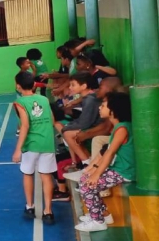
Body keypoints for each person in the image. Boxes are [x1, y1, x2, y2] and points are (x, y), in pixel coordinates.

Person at [73, 92, 134, 232]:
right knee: (85, 180)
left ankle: (98, 221)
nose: (100, 107)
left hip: (124, 172)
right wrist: (92, 169)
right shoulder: (119, 127)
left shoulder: (122, 129)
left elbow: (110, 153)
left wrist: (96, 174)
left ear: (113, 110)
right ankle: (104, 215)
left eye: (103, 105)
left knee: (87, 186)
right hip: (119, 169)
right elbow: (106, 151)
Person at [12, 72, 56, 225]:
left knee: (28, 174)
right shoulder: (44, 99)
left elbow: (25, 125)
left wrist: (18, 149)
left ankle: (30, 207)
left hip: (31, 144)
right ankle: (48, 212)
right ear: (34, 85)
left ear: (18, 86)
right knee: (46, 176)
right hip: (47, 143)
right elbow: (52, 120)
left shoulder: (19, 103)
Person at [55, 72, 101, 169]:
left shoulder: (90, 100)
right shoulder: (87, 98)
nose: (70, 87)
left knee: (68, 134)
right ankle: (87, 160)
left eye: (73, 85)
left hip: (96, 128)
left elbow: (84, 123)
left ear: (84, 86)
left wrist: (67, 128)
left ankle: (86, 162)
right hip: (91, 125)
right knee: (67, 131)